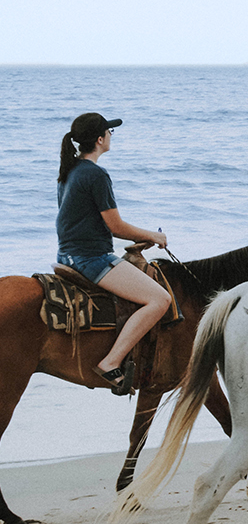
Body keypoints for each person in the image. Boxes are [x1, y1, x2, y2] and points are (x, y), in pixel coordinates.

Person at [55, 112, 171, 396]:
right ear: (99, 139)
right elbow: (115, 226)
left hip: (68, 254)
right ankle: (111, 362)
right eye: (109, 132)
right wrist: (152, 235)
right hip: (91, 258)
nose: (111, 136)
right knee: (160, 299)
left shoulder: (70, 171)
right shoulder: (95, 174)